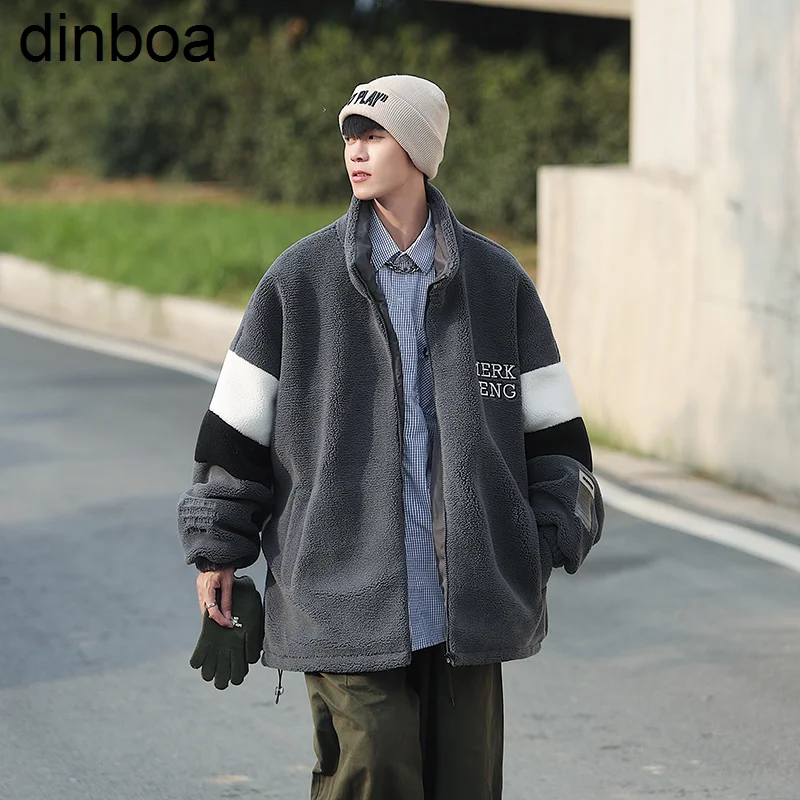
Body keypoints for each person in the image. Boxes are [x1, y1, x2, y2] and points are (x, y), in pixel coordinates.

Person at [177, 73, 604, 800]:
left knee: (465, 785)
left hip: (469, 599)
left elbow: (557, 437)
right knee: (372, 769)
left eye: (375, 135)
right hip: (340, 590)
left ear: (420, 150)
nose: (356, 150)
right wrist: (218, 548)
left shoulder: (496, 282)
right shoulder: (299, 281)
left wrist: (538, 543)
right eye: (350, 135)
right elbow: (235, 430)